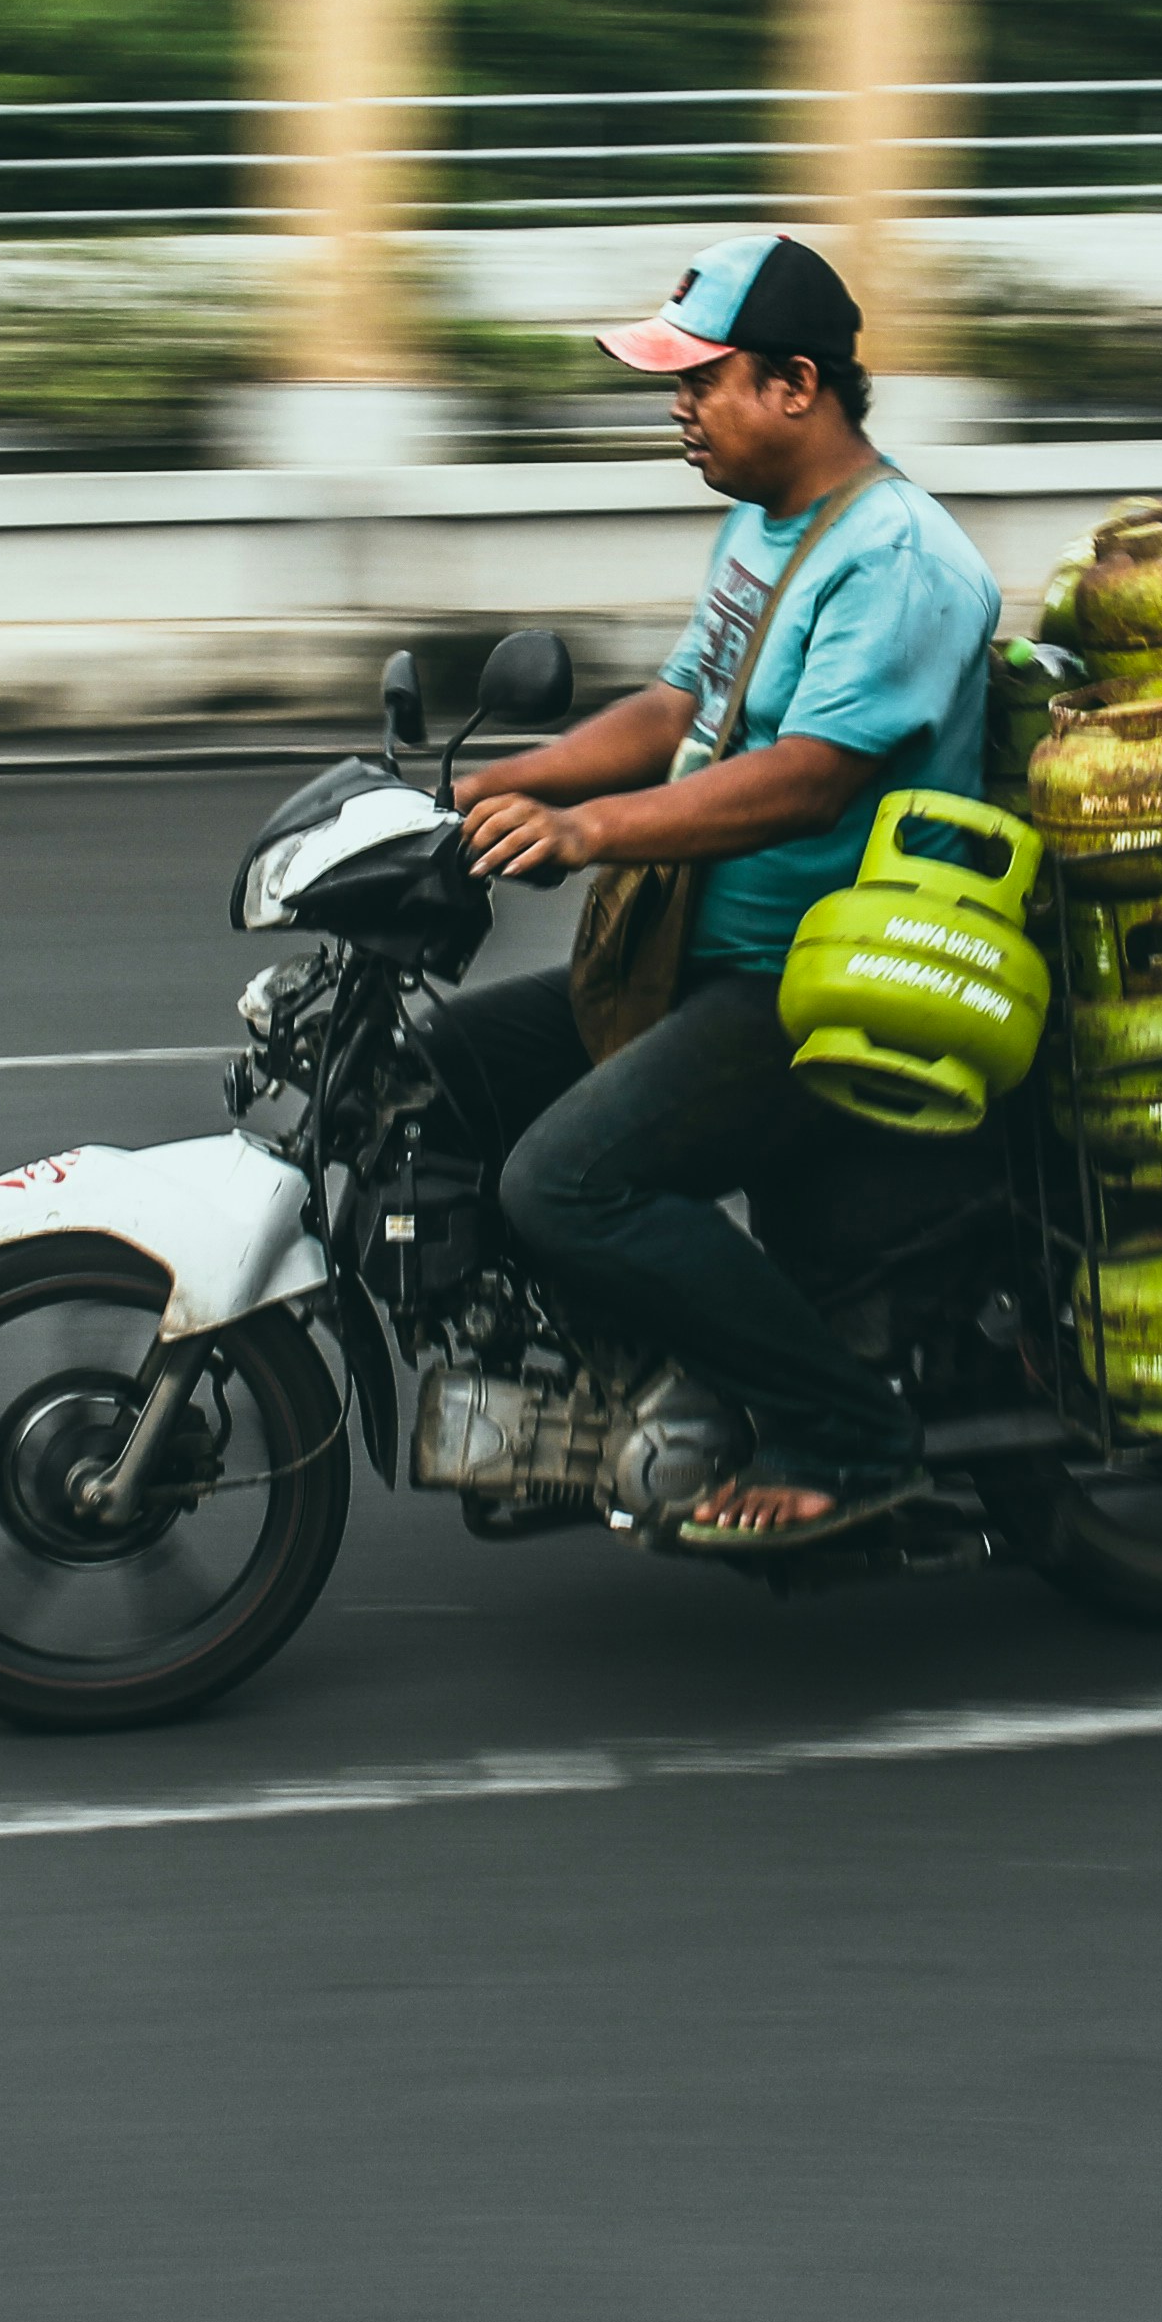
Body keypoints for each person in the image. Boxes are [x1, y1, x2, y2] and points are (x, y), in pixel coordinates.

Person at [440, 230, 1001, 1548]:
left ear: (796, 384)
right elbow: (687, 704)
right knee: (439, 1069)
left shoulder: (900, 560)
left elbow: (807, 778)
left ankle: (846, 1438)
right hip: (707, 951)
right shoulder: (765, 528)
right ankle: (614, 1373)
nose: (678, 411)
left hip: (823, 976)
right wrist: (503, 784)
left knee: (561, 1186)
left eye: (701, 382)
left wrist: (591, 837)